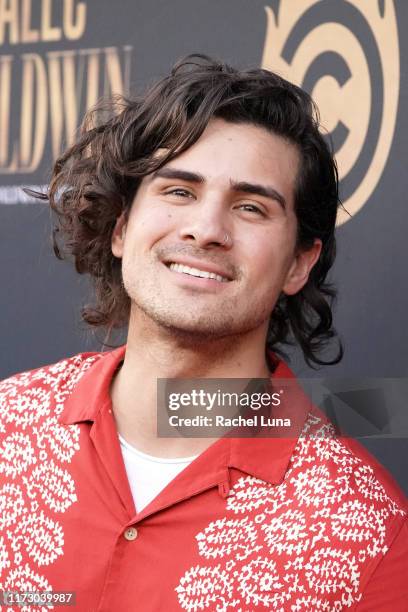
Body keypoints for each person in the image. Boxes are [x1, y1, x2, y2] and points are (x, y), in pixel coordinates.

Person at [0, 55, 406, 611]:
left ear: (298, 264)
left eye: (250, 207)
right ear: (122, 226)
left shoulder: (366, 529)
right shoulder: (6, 427)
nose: (207, 229)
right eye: (178, 192)